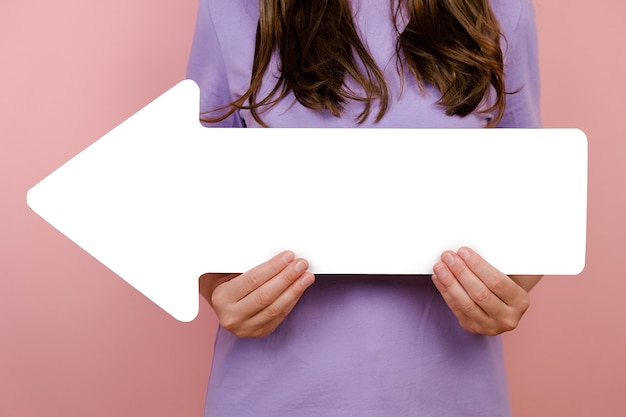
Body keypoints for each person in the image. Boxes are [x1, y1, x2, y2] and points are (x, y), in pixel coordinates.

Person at [187, 0, 542, 415]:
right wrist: (218, 291)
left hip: (447, 395)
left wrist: (504, 293)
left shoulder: (503, 8)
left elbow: (534, 218)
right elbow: (193, 212)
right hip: (272, 395)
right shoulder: (230, 8)